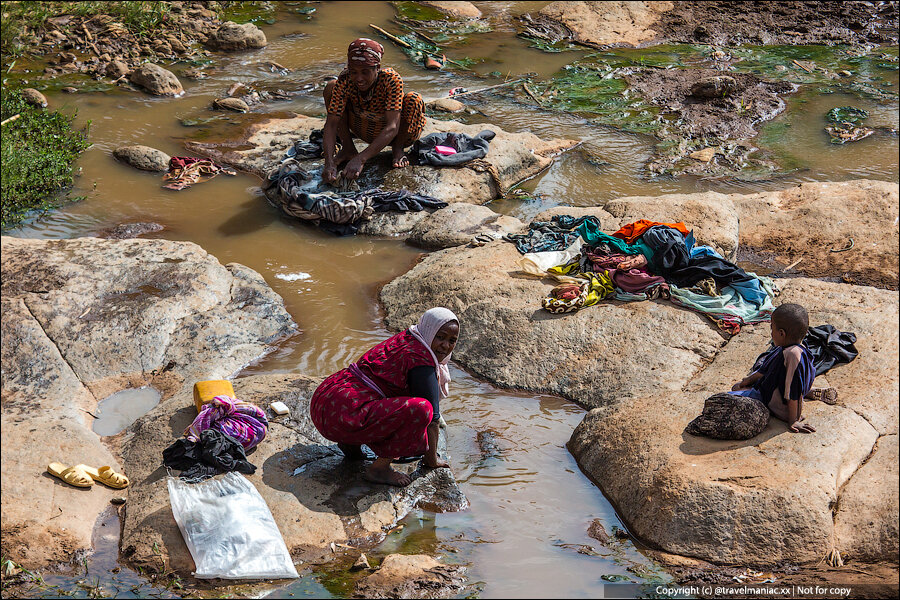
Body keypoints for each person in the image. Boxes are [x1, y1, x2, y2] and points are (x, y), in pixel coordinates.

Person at [310, 307, 459, 486]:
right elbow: (433, 419)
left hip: (325, 402)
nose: (445, 345)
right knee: (421, 409)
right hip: (344, 416)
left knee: (380, 396)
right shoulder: (421, 360)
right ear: (429, 331)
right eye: (440, 337)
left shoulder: (409, 337)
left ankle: (350, 446)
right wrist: (432, 460)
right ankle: (379, 469)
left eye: (452, 341)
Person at [321, 38, 426, 184]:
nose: (359, 78)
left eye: (365, 72)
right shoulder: (345, 79)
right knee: (331, 87)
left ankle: (398, 148)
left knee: (414, 99)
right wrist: (329, 162)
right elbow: (332, 124)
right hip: (363, 126)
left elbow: (392, 127)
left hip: (392, 134)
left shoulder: (390, 80)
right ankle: (348, 148)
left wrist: (361, 159)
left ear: (377, 68)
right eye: (354, 72)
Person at [730, 303, 817, 433]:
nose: (771, 333)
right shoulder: (791, 347)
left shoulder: (792, 355)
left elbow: (793, 391)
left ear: (781, 333)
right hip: (773, 387)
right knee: (737, 387)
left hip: (774, 402)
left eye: (772, 329)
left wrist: (794, 420)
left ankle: (804, 393)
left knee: (729, 399)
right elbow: (764, 370)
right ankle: (808, 391)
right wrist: (746, 381)